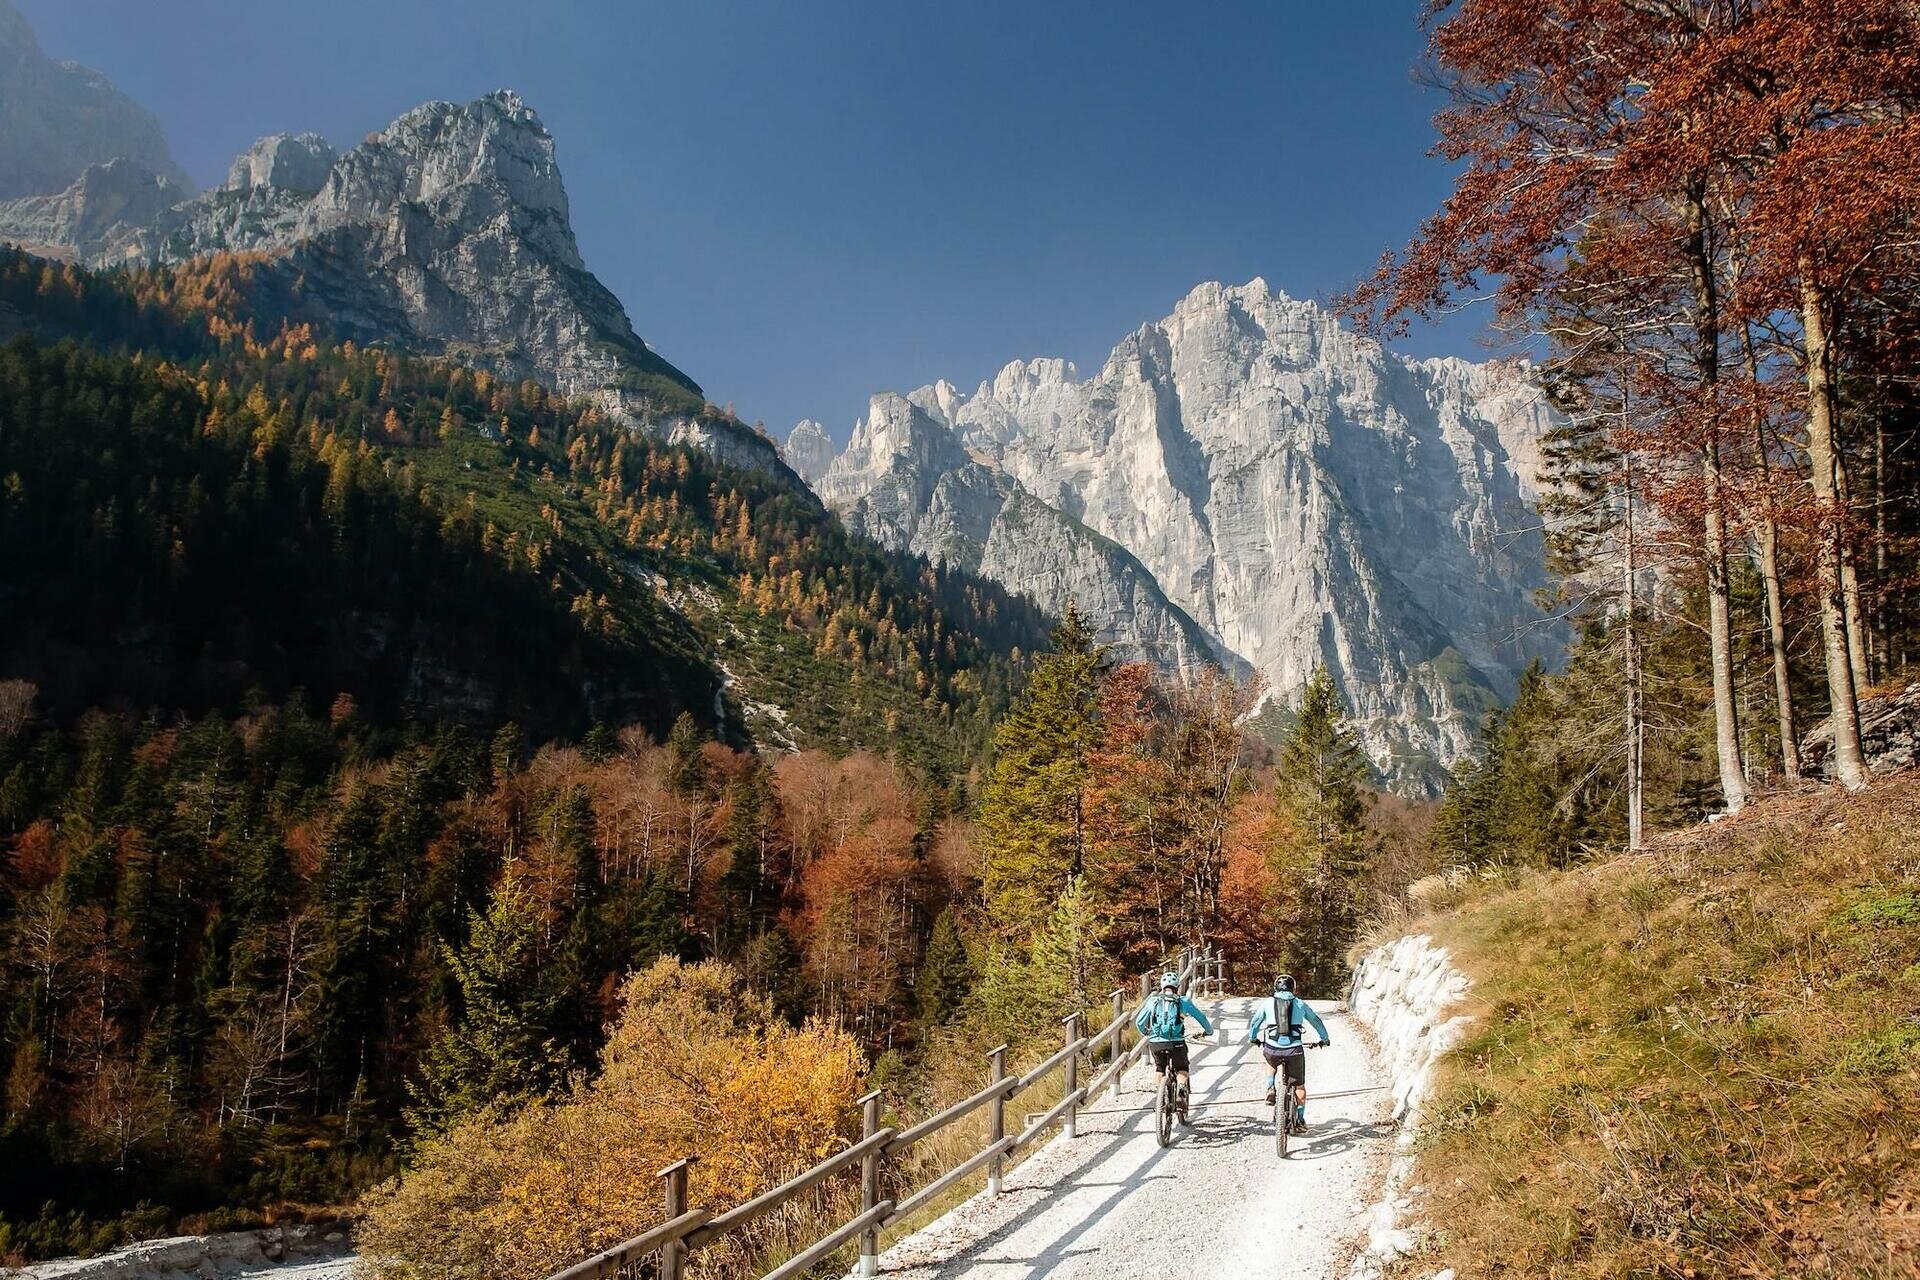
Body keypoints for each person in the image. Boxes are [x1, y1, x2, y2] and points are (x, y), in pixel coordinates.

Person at [1248, 974, 1330, 1134]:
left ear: (1275, 987)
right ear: (1293, 988)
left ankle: (1270, 1086)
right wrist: (1324, 1039)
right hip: (1294, 1050)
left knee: (1270, 1061)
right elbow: (1316, 1021)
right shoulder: (1300, 1004)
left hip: (1272, 1048)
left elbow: (1255, 1022)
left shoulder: (1267, 1003)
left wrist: (1253, 1038)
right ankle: (1299, 1120)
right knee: (1299, 1085)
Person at [1134, 970, 1213, 1123]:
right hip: (1176, 1042)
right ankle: (1181, 1092)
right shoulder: (1183, 1001)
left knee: (1159, 1067)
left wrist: (1147, 1033)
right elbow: (1201, 1017)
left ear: (1162, 986)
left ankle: (1160, 1097)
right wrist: (1208, 1031)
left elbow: (1139, 1022)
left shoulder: (1153, 1001)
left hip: (1156, 1042)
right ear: (1177, 986)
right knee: (1182, 1067)